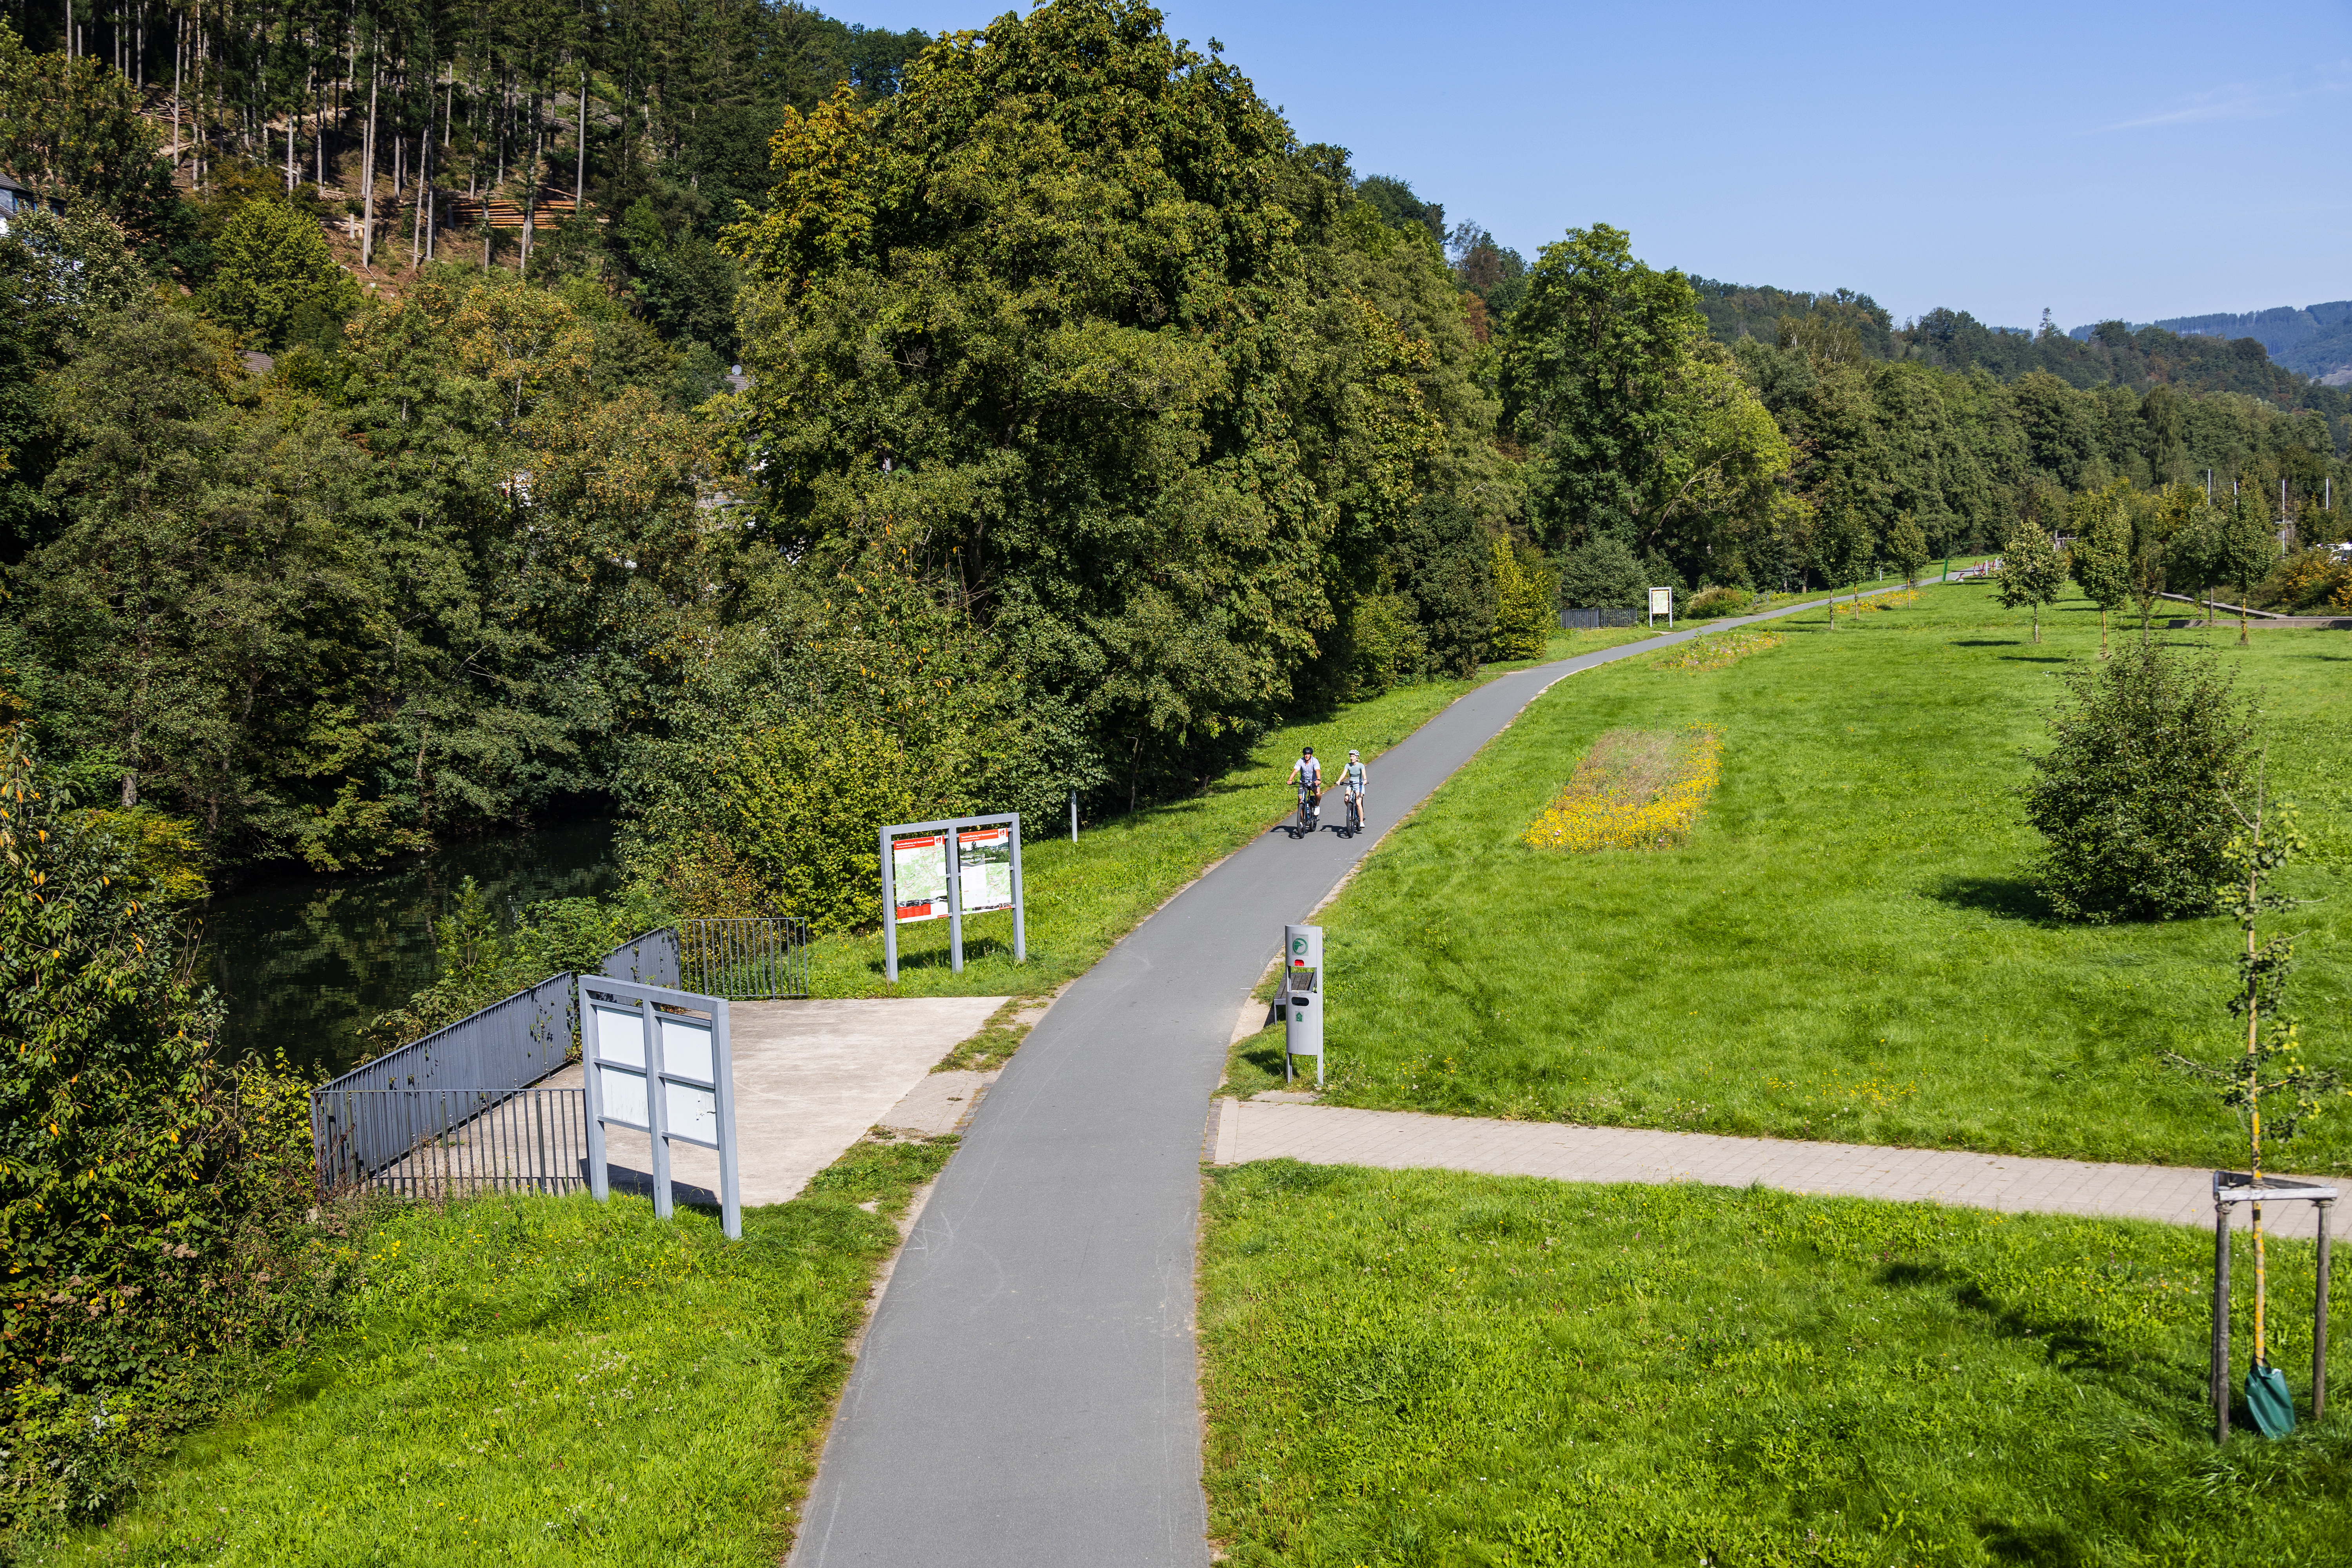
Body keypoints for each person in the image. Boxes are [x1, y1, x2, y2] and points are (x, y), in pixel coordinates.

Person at [1288, 745, 1323, 828]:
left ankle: (1317, 806)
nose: (1307, 756)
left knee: (1318, 795)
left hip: (1313, 782)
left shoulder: (1315, 761)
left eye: (1308, 754)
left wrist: (1318, 779)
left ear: (1311, 755)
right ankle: (1301, 820)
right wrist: (1290, 780)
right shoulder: (1300, 761)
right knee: (1300, 800)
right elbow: (1295, 771)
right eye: (1305, 754)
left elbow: (1317, 771)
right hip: (1303, 783)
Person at [1339, 748, 1368, 829]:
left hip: (1359, 784)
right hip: (1351, 784)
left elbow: (1364, 774)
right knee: (1346, 799)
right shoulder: (1348, 765)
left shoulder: (1361, 765)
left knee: (1358, 803)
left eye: (1353, 757)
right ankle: (1351, 810)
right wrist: (1339, 781)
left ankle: (1361, 822)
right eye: (1351, 757)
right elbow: (1344, 774)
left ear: (1357, 757)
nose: (1352, 758)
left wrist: (1365, 780)